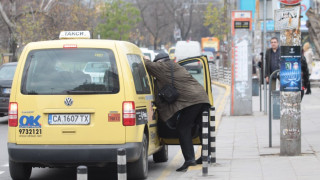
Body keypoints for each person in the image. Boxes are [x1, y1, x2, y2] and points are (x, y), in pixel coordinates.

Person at [143, 53, 210, 172]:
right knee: (202, 128)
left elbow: (148, 65)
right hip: (202, 98)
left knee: (183, 128)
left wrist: (144, 59)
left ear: (159, 62)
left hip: (191, 101)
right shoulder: (175, 66)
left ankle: (190, 160)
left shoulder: (162, 67)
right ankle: (207, 156)